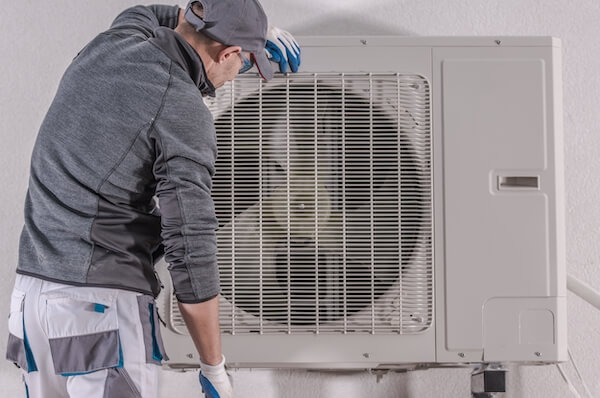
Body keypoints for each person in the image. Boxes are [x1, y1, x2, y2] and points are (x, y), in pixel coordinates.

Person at [5, 1, 300, 397]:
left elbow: (154, 13)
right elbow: (191, 250)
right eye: (246, 62)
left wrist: (248, 32)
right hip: (99, 312)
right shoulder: (181, 106)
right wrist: (214, 367)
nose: (238, 74)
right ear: (228, 53)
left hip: (31, 302)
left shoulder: (114, 41)